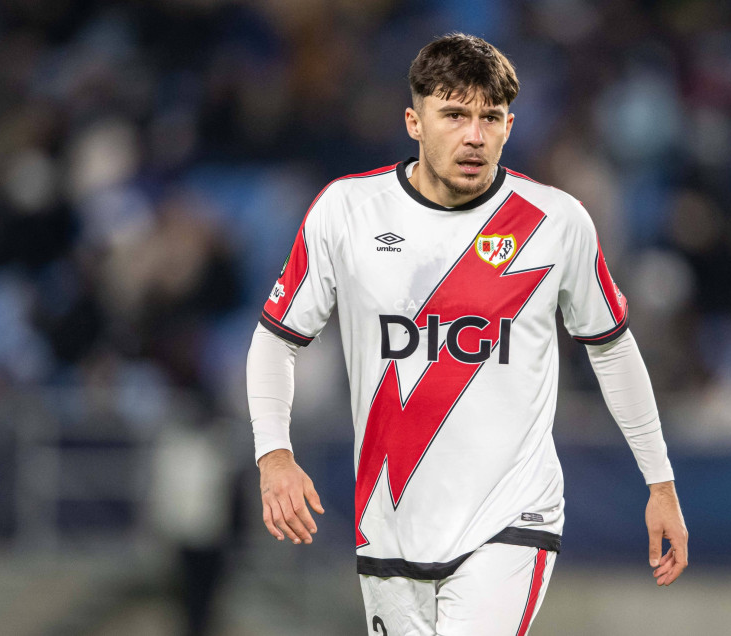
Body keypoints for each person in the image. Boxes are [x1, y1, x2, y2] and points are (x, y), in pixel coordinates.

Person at [247, 33, 688, 635]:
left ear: (509, 126)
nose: (474, 135)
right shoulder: (346, 212)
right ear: (414, 122)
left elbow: (611, 348)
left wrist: (660, 482)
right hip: (390, 525)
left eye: (491, 118)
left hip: (512, 518)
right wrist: (274, 454)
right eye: (454, 115)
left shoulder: (554, 222)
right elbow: (277, 338)